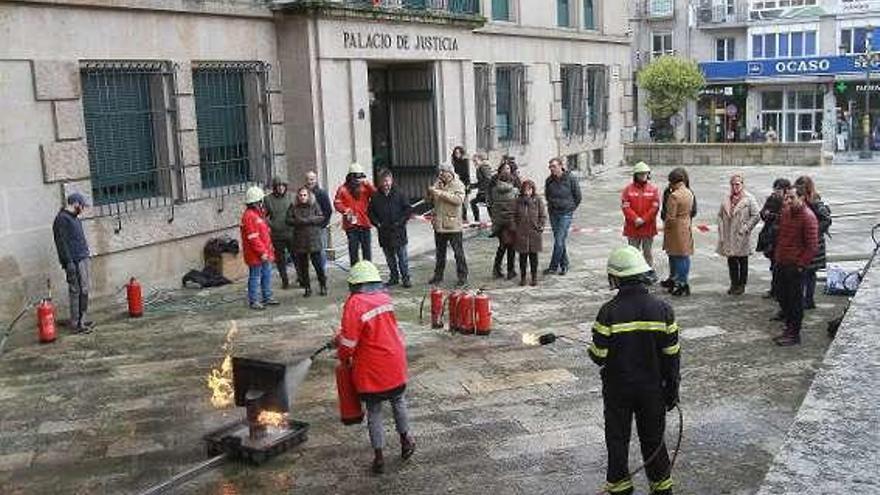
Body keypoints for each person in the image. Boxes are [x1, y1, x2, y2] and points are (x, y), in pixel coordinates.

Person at [588, 246, 680, 495]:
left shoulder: (608, 312)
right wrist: (672, 391)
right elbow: (672, 357)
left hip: (618, 391)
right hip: (653, 390)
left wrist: (592, 347)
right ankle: (661, 488)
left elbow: (599, 356)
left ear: (615, 278)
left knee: (617, 441)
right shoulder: (663, 310)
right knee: (654, 441)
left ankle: (620, 488)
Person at [335, 261, 415, 475]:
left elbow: (349, 343)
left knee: (374, 411)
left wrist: (341, 354)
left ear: (354, 284)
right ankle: (406, 440)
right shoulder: (385, 298)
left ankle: (379, 457)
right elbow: (382, 327)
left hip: (372, 368)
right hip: (394, 360)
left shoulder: (354, 304)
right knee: (398, 401)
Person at [773, 186, 818, 346]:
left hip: (795, 266)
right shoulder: (786, 213)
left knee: (795, 301)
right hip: (782, 262)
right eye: (787, 197)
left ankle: (794, 333)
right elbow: (782, 238)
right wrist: (778, 257)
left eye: (792, 197)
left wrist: (800, 265)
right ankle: (788, 328)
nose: (789, 201)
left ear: (802, 198)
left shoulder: (808, 217)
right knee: (781, 296)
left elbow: (812, 246)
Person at [52, 193, 93, 333]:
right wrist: (68, 262)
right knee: (77, 291)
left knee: (85, 289)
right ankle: (76, 324)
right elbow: (61, 243)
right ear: (75, 204)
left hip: (82, 258)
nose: (83, 209)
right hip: (74, 261)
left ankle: (82, 318)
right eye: (82, 206)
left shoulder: (74, 218)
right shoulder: (61, 219)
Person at [716, 173, 761, 295]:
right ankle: (734, 283)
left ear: (742, 184)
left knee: (742, 260)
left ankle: (741, 285)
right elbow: (720, 215)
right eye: (733, 184)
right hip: (729, 234)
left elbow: (756, 215)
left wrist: (746, 227)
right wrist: (722, 229)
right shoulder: (727, 198)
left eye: (737, 184)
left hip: (741, 234)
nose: (735, 187)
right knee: (731, 260)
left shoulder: (749, 198)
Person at [368, 169, 413, 288]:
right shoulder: (375, 196)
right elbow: (370, 213)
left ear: (391, 180)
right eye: (383, 181)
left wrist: (401, 222)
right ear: (380, 182)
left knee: (402, 257)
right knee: (390, 258)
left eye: (387, 181)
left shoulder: (400, 193)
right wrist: (377, 223)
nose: (385, 184)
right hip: (384, 232)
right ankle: (394, 277)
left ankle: (406, 278)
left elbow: (408, 210)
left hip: (398, 231)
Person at [426, 163, 468, 286]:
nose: (440, 175)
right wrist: (430, 194)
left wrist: (439, 193)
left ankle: (463, 276)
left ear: (449, 173)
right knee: (440, 253)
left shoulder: (458, 184)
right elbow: (431, 200)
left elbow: (458, 200)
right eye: (439, 173)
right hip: (439, 225)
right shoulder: (437, 183)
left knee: (458, 253)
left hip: (453, 225)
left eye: (442, 172)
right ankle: (438, 276)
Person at [794, 176, 831, 310]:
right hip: (806, 242)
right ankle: (806, 300)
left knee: (807, 272)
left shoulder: (815, 201)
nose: (798, 191)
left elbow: (826, 219)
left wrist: (812, 231)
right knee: (807, 272)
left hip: (813, 243)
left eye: (800, 188)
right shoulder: (801, 199)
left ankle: (807, 300)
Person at [241, 186, 278, 310]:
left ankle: (267, 297)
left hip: (263, 252)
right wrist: (262, 252)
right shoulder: (249, 216)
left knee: (266, 274)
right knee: (255, 277)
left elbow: (263, 233)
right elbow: (253, 237)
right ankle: (254, 300)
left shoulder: (257, 214)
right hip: (256, 254)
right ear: (256, 202)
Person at [659, 170, 697, 290]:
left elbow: (670, 217)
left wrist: (666, 227)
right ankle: (683, 282)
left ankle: (680, 283)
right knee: (684, 255)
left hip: (675, 229)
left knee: (677, 256)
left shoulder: (674, 196)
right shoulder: (689, 192)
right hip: (686, 225)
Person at [544, 157, 582, 276]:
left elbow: (578, 196)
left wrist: (570, 208)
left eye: (554, 166)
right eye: (550, 167)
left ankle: (553, 267)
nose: (552, 169)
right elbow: (547, 195)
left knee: (559, 241)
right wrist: (551, 206)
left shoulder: (570, 178)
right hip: (553, 213)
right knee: (559, 240)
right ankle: (565, 265)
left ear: (561, 166)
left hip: (566, 213)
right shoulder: (549, 180)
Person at [288, 186, 328, 297]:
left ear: (308, 196)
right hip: (300, 241)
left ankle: (323, 285)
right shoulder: (294, 207)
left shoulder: (314, 205)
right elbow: (288, 220)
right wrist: (298, 221)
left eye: (305, 195)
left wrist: (309, 220)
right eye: (301, 195)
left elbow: (321, 217)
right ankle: (307, 288)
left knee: (318, 265)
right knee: (303, 267)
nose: (302, 197)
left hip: (313, 240)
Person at [621, 161, 660, 271]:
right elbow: (625, 207)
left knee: (647, 252)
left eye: (645, 173)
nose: (643, 176)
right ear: (635, 175)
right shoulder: (628, 190)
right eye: (640, 174)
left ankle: (648, 271)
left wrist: (643, 219)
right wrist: (635, 219)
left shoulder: (653, 190)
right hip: (632, 227)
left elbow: (655, 208)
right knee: (633, 253)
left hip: (648, 227)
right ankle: (634, 272)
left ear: (648, 174)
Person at [334, 163, 376, 266]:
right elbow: (337, 203)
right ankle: (355, 273)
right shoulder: (342, 189)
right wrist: (345, 210)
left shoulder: (365, 187)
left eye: (360, 177)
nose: (358, 180)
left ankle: (368, 272)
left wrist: (368, 185)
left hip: (364, 222)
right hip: (351, 225)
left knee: (367, 251)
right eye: (356, 177)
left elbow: (376, 196)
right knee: (353, 252)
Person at [757, 178, 791, 303]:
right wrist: (765, 214)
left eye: (779, 189)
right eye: (775, 188)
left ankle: (780, 291)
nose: (776, 191)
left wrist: (770, 215)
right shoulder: (771, 199)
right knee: (773, 265)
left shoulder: (788, 201)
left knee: (780, 267)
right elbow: (763, 213)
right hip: (770, 236)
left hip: (782, 238)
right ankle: (774, 290)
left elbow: (784, 218)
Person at [263, 176, 297, 290]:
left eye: (283, 186)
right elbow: (264, 215)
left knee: (296, 256)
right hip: (277, 235)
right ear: (274, 187)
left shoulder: (291, 197)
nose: (281, 188)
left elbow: (296, 212)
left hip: (291, 233)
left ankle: (301, 277)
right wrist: (271, 224)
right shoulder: (268, 199)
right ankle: (285, 280)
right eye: (278, 186)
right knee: (280, 260)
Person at [489, 163, 519, 280]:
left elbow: (491, 203)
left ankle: (496, 269)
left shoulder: (494, 190)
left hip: (499, 223)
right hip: (510, 222)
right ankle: (510, 271)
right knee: (510, 246)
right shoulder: (514, 191)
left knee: (502, 246)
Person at [514, 180, 547, 287]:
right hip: (521, 232)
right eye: (525, 189)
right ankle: (523, 277)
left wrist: (540, 226)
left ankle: (534, 277)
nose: (527, 192)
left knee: (534, 256)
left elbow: (542, 214)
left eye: (530, 189)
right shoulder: (518, 201)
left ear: (533, 190)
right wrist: (515, 228)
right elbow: (513, 215)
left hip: (534, 232)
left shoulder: (537, 200)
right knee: (522, 257)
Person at [305, 170, 333, 269]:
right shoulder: (303, 193)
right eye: (308, 179)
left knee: (321, 250)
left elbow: (328, 210)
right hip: (307, 228)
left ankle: (322, 272)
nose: (310, 182)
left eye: (312, 179)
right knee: (310, 251)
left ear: (316, 180)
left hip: (320, 228)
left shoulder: (322, 193)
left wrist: (323, 224)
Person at [470, 153, 493, 224]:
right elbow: (481, 181)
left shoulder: (483, 167)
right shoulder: (480, 167)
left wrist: (481, 189)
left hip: (486, 192)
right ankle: (491, 219)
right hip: (484, 191)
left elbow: (487, 179)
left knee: (475, 203)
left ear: (480, 160)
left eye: (475, 160)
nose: (474, 162)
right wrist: (472, 186)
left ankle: (478, 220)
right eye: (473, 161)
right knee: (487, 205)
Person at [451, 146, 471, 222]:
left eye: (458, 153)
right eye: (455, 153)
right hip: (457, 183)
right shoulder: (454, 161)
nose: (457, 154)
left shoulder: (465, 161)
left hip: (464, 182)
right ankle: (460, 217)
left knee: (464, 201)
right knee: (458, 200)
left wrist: (467, 185)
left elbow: (467, 174)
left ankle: (464, 217)